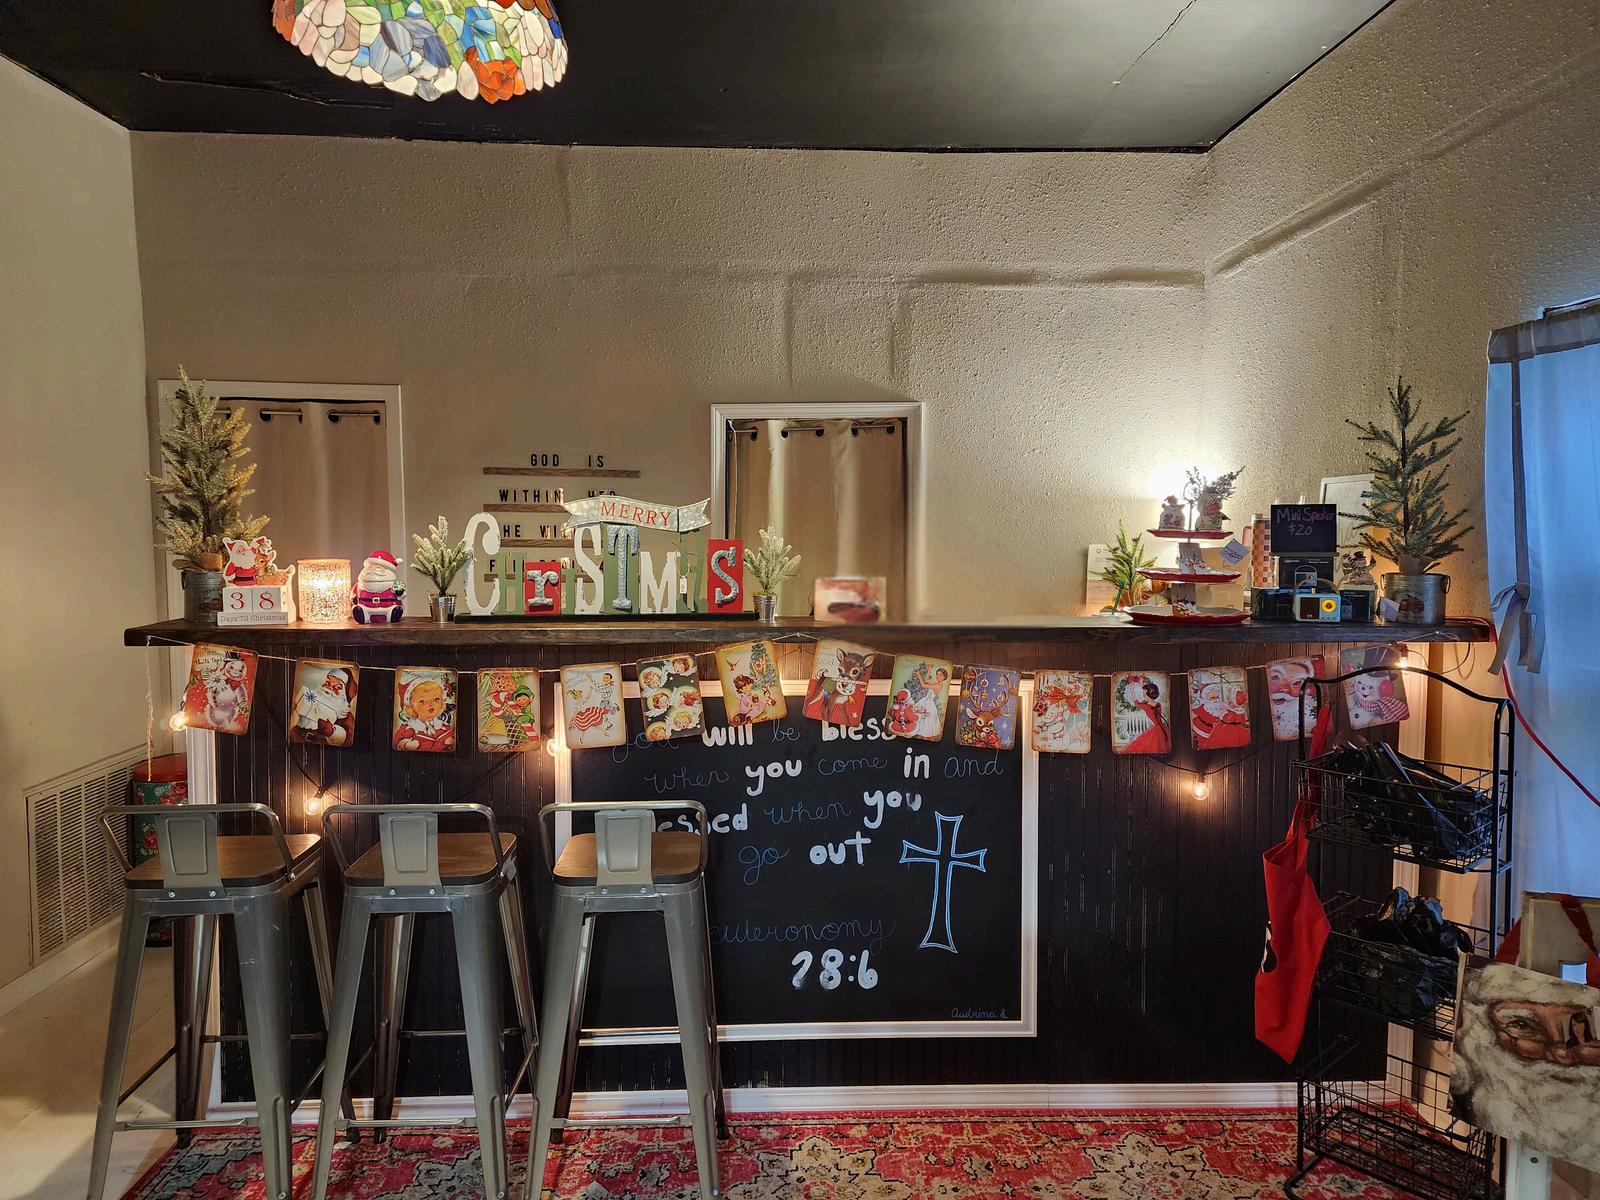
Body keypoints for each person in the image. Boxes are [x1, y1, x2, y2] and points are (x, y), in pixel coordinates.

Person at [1121, 675, 1170, 754]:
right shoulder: (1158, 704)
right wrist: (1141, 684)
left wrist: (1132, 689)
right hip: (1163, 728)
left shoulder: (1146, 707)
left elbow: (1136, 702)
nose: (1143, 694)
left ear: (1147, 694)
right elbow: (1148, 691)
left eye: (1143, 693)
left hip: (1156, 731)